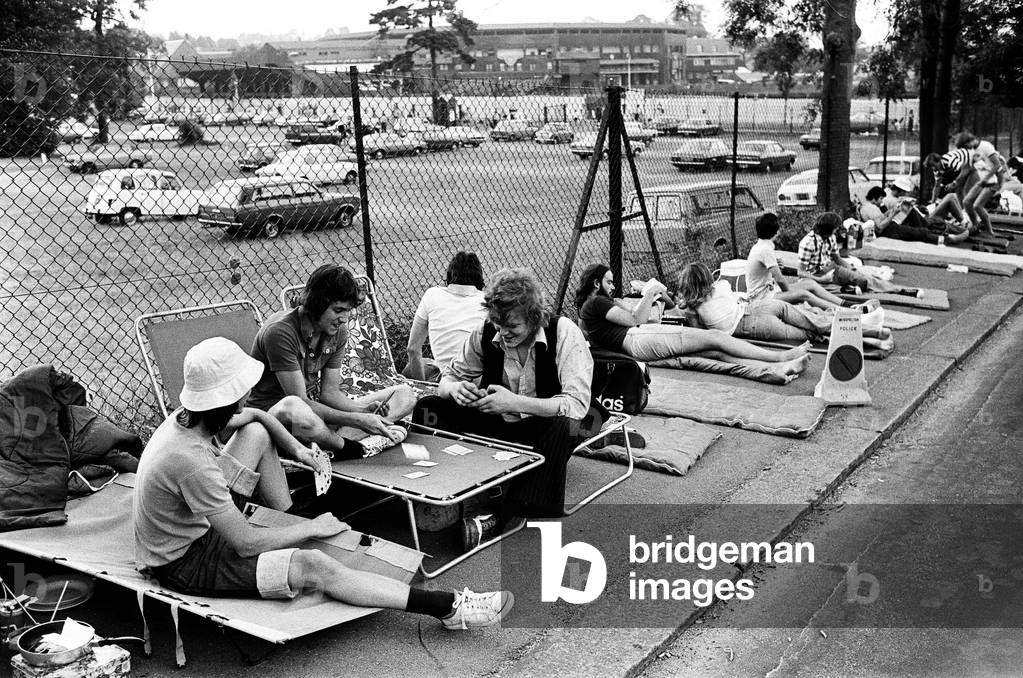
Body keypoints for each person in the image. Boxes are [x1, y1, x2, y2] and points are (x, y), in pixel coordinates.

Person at [133, 337, 512, 629]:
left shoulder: (188, 419)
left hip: (192, 523)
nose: (250, 392)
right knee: (315, 564)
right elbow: (245, 543)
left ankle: (288, 514)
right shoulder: (192, 462)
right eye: (243, 387)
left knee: (257, 431)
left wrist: (297, 450)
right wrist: (312, 528)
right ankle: (448, 608)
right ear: (225, 398)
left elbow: (252, 416)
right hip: (186, 560)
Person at [413, 268, 595, 547]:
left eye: (512, 328)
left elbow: (576, 406)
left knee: (567, 427)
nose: (503, 333)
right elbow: (447, 378)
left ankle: (501, 514)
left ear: (534, 318)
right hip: (498, 421)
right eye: (498, 326)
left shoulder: (564, 332)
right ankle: (430, 489)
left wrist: (514, 402)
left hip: (545, 426)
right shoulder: (486, 331)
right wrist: (455, 389)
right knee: (430, 405)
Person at [248, 264, 416, 458]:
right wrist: (358, 420)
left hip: (313, 419)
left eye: (347, 311)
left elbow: (330, 394)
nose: (344, 318)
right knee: (296, 411)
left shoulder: (337, 331)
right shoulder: (280, 332)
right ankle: (348, 446)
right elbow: (300, 402)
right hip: (278, 422)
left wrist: (364, 411)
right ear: (317, 303)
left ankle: (345, 439)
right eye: (338, 310)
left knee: (404, 394)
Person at [575, 264, 811, 381]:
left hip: (638, 341)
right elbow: (636, 318)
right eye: (609, 282)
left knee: (714, 353)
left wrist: (653, 294)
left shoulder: (590, 309)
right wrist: (650, 291)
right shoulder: (595, 303)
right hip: (638, 337)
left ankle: (776, 370)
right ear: (596, 284)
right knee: (718, 339)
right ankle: (780, 357)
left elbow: (651, 310)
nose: (613, 286)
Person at [678, 262, 893, 349]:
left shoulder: (693, 309)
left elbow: (703, 338)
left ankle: (873, 339)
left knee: (810, 336)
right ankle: (874, 330)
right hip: (759, 308)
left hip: (749, 326)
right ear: (707, 278)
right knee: (816, 322)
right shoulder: (722, 285)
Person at [405, 252, 488, 382]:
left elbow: (413, 349)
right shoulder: (486, 301)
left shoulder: (431, 295)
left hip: (446, 380)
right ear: (479, 278)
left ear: (449, 275)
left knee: (412, 368)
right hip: (478, 382)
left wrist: (424, 386)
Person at [745, 212, 850, 311]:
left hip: (768, 291)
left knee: (810, 283)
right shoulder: (765, 250)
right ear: (776, 232)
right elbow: (780, 279)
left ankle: (845, 303)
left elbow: (764, 273)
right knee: (804, 294)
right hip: (762, 297)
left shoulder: (760, 246)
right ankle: (842, 310)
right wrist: (791, 294)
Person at [858, 183, 970, 244]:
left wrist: (892, 212)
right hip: (889, 229)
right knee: (917, 232)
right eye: (880, 199)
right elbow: (880, 226)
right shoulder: (870, 208)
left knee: (920, 229)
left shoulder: (871, 206)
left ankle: (948, 235)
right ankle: (948, 239)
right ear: (874, 197)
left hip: (891, 226)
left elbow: (882, 218)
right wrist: (893, 213)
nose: (881, 202)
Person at [956, 132, 1007, 237]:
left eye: (966, 146)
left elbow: (997, 165)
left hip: (995, 180)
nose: (967, 149)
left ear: (970, 141)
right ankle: (976, 224)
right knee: (966, 202)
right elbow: (969, 167)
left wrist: (987, 178)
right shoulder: (973, 150)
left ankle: (990, 232)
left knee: (977, 206)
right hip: (984, 181)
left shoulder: (986, 146)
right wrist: (956, 182)